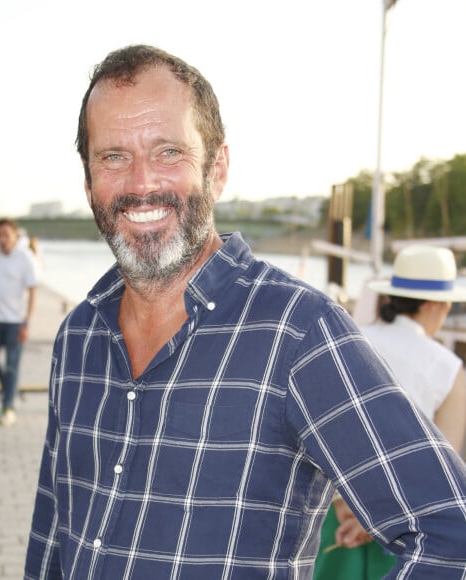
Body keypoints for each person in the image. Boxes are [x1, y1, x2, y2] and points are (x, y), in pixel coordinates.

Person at [25, 45, 466, 579]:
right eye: (113, 156)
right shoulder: (77, 334)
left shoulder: (299, 333)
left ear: (217, 169)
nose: (141, 183)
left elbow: (449, 532)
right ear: (88, 178)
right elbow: (53, 530)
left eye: (169, 152)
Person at [314, 244, 466, 579]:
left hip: (331, 514)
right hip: (407, 530)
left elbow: (320, 433)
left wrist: (346, 507)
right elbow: (443, 467)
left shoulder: (347, 341)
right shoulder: (450, 369)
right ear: (434, 305)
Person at [0, 218, 37, 426]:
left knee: (12, 366)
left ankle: (7, 406)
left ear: (15, 235)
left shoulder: (25, 257)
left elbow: (33, 290)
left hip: (15, 321)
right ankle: (9, 386)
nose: (2, 239)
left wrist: (27, 322)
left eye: (6, 235)